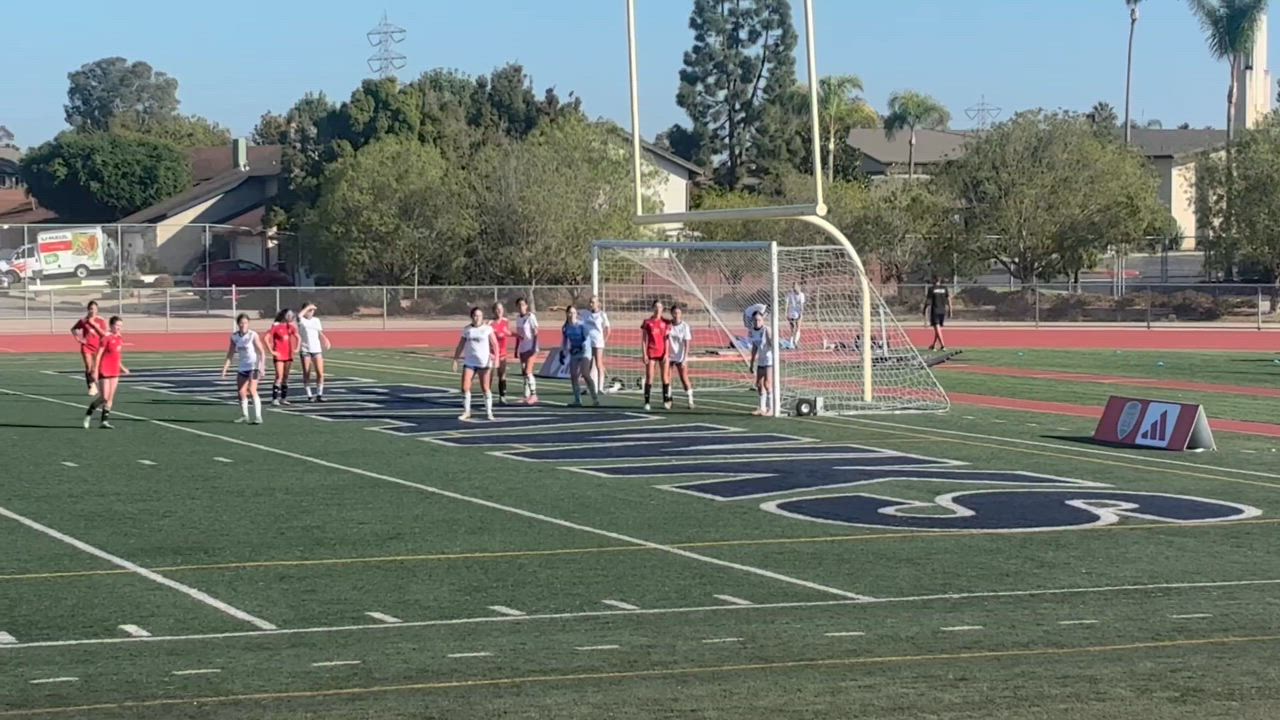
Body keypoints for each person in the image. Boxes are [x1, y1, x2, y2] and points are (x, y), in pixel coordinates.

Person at [452, 307, 499, 421]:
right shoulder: (467, 329)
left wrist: (497, 359)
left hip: (484, 363)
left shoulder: (487, 329)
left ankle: (489, 412)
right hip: (470, 362)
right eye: (475, 315)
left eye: (479, 316)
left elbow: (495, 344)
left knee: (485, 388)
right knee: (465, 387)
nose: (477, 318)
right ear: (471, 317)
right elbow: (460, 345)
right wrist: (455, 359)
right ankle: (467, 411)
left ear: (482, 317)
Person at [222, 313, 267, 424]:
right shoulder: (235, 337)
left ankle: (258, 416)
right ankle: (245, 415)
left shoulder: (253, 335)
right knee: (241, 392)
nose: (243, 325)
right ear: (238, 324)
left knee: (252, 390)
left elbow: (262, 352)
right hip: (243, 367)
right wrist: (225, 368)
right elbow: (230, 353)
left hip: (253, 366)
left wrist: (262, 367)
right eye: (241, 323)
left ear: (248, 323)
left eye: (245, 323)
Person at [84, 316, 127, 429]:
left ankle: (104, 421)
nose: (119, 328)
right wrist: (95, 370)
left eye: (120, 326)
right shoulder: (106, 337)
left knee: (110, 398)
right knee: (104, 397)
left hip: (115, 370)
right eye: (117, 325)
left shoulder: (119, 338)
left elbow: (117, 356)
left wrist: (122, 367)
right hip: (105, 369)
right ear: (111, 325)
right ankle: (89, 412)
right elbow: (98, 355)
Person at [561, 306, 598, 407]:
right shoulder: (565, 327)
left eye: (574, 313)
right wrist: (563, 352)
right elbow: (565, 341)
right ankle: (577, 400)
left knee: (585, 374)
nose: (572, 315)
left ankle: (595, 398)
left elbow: (586, 339)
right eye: (570, 313)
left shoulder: (581, 325)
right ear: (567, 314)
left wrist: (581, 348)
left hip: (585, 351)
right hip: (574, 352)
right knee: (573, 375)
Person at [71, 301, 108, 397]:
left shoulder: (100, 320)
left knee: (96, 368)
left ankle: (97, 384)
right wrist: (78, 339)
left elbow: (104, 334)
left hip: (97, 346)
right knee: (89, 367)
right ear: (88, 309)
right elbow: (73, 329)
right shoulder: (83, 320)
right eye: (91, 309)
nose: (93, 311)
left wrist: (95, 325)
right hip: (86, 346)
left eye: (95, 309)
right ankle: (91, 386)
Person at [640, 300, 671, 411]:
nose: (658, 309)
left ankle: (666, 400)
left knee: (665, 377)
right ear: (653, 308)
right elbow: (644, 340)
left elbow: (667, 339)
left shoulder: (666, 322)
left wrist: (666, 354)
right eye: (656, 307)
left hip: (663, 353)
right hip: (651, 352)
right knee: (650, 377)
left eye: (660, 307)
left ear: (663, 309)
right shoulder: (647, 322)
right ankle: (647, 402)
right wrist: (644, 354)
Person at [296, 303, 331, 402]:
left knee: (320, 373)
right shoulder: (301, 320)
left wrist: (325, 339)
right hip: (305, 349)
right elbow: (299, 316)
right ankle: (309, 395)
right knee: (307, 373)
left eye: (312, 311)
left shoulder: (316, 320)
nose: (311, 312)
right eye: (309, 310)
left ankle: (319, 394)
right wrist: (308, 307)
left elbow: (319, 332)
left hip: (316, 349)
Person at [267, 309, 300, 405]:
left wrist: (297, 348)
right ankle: (274, 398)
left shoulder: (290, 326)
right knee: (279, 376)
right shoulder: (276, 325)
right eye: (288, 315)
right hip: (279, 355)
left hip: (288, 355)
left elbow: (298, 337)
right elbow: (266, 338)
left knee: (285, 377)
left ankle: (283, 398)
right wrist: (271, 351)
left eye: (291, 315)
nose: (290, 317)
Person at [667, 304, 694, 409]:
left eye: (678, 313)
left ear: (681, 314)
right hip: (669, 355)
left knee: (684, 378)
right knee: (667, 378)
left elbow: (687, 343)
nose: (676, 315)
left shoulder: (685, 326)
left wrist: (685, 358)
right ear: (671, 313)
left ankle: (690, 399)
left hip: (680, 356)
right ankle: (669, 399)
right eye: (674, 313)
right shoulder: (668, 325)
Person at [748, 310, 774, 417]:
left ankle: (772, 408)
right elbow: (755, 347)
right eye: (755, 320)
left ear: (763, 320)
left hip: (769, 359)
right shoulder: (753, 331)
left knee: (767, 384)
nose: (757, 322)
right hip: (761, 360)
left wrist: (769, 338)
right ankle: (762, 408)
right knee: (759, 384)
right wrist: (752, 362)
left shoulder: (766, 330)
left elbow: (772, 344)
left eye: (759, 320)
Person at [582, 296, 611, 392]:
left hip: (598, 342)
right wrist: (558, 308)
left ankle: (600, 388)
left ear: (598, 303)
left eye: (593, 302)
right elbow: (572, 311)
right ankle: (589, 387)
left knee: (598, 364)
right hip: (588, 343)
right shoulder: (585, 313)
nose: (591, 304)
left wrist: (604, 340)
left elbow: (608, 329)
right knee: (589, 365)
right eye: (590, 302)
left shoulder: (602, 315)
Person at [514, 297, 540, 405]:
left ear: (526, 306)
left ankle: (534, 395)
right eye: (519, 305)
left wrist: (534, 347)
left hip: (531, 347)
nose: (521, 307)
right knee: (524, 372)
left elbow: (536, 332)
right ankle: (526, 396)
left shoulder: (530, 317)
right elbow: (518, 335)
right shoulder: (518, 318)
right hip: (523, 348)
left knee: (528, 371)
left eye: (523, 305)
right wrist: (516, 348)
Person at [491, 301, 513, 405]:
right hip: (492, 354)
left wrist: (519, 336)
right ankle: (487, 395)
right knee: (489, 376)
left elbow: (507, 332)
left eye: (501, 309)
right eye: (497, 309)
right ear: (494, 311)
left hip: (502, 353)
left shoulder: (506, 321)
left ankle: (502, 396)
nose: (499, 311)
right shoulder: (490, 323)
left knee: (502, 375)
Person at [923, 276, 952, 351]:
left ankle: (943, 345)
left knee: (937, 328)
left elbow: (928, 301)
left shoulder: (931, 289)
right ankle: (933, 345)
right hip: (942, 311)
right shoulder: (944, 288)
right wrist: (950, 310)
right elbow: (949, 299)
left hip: (935, 310)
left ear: (934, 280)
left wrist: (924, 310)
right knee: (937, 329)